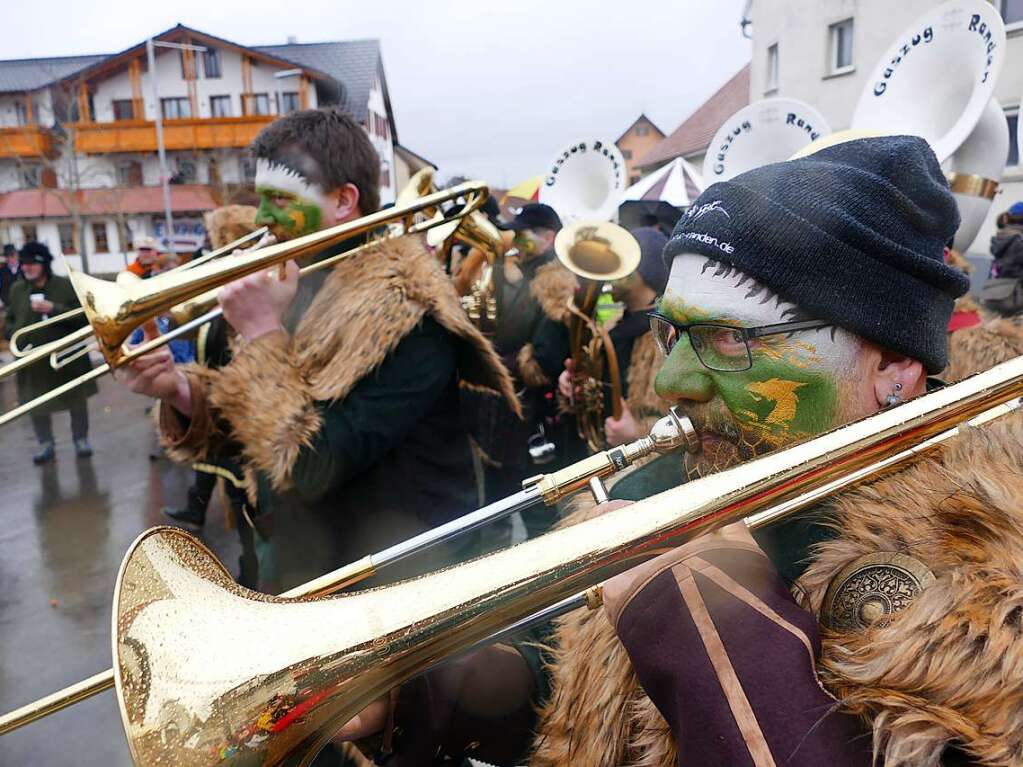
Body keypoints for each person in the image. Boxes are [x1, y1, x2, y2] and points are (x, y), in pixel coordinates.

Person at [337, 136, 1019, 767]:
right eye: (674, 333)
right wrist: (423, 692)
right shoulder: (676, 481)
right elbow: (575, 694)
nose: (668, 383)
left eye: (729, 339)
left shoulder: (988, 570)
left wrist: (704, 629)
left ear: (892, 366)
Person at [120, 106, 517, 595]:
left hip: (393, 586)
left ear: (345, 201)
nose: (262, 218)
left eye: (279, 200)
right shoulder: (298, 281)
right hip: (305, 566)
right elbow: (257, 428)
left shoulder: (410, 309)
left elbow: (311, 464)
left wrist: (264, 334)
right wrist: (179, 391)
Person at [558, 224, 670, 448]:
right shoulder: (614, 327)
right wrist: (578, 383)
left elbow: (682, 420)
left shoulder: (665, 336)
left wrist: (639, 434)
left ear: (646, 274)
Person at [4, 242, 95, 463]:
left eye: (32, 264)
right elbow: (9, 322)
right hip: (32, 360)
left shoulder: (64, 286)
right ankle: (46, 444)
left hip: (66, 357)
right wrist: (14, 333)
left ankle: (80, 439)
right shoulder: (17, 290)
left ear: (44, 264)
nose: (26, 268)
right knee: (37, 404)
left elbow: (84, 317)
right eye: (24, 264)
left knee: (76, 400)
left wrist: (54, 309)